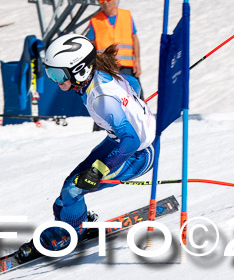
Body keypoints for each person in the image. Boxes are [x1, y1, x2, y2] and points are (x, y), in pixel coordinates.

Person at [16, 33, 156, 262]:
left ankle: (70, 236)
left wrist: (98, 170)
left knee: (73, 190)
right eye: (50, 73)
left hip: (137, 154)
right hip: (118, 142)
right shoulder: (96, 75)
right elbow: (132, 84)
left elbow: (130, 140)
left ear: (79, 70)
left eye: (58, 74)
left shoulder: (102, 99)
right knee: (66, 194)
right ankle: (74, 223)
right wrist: (131, 102)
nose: (55, 80)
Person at [86, 0, 143, 97]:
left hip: (127, 67)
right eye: (101, 0)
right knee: (113, 98)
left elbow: (134, 39)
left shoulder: (126, 15)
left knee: (136, 96)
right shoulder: (95, 21)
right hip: (106, 69)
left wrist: (137, 61)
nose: (105, 2)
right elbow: (91, 46)